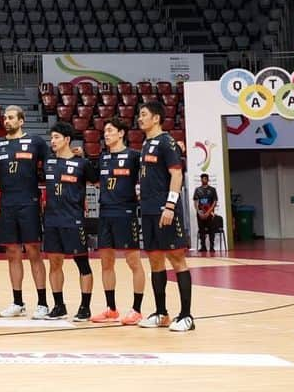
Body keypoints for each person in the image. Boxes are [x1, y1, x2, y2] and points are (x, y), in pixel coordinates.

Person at [0, 105, 50, 320]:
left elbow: (50, 164)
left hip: (29, 202)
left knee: (33, 251)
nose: (7, 121)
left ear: (21, 121)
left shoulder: (36, 142)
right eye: (5, 118)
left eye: (11, 118)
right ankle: (17, 302)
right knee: (12, 253)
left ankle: (42, 303)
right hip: (7, 203)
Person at [137, 101, 195, 332]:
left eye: (144, 115)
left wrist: (170, 206)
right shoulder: (146, 143)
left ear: (156, 118)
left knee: (176, 258)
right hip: (149, 211)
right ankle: (161, 313)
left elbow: (177, 174)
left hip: (165, 210)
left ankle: (187, 316)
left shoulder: (166, 141)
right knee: (154, 260)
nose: (140, 119)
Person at [91, 117, 146, 325]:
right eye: (105, 131)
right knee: (106, 262)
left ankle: (137, 309)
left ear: (121, 133)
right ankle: (111, 309)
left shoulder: (134, 156)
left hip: (126, 213)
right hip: (105, 213)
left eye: (110, 130)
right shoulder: (103, 158)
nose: (106, 134)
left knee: (133, 262)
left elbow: (149, 175)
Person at [42, 121, 98, 322]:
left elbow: (97, 180)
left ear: (67, 140)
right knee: (54, 263)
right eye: (51, 138)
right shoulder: (48, 162)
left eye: (56, 137)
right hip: (51, 221)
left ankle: (85, 307)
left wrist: (86, 157)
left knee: (82, 263)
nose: (53, 141)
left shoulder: (81, 164)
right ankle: (59, 306)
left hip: (73, 220)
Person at [194, 173, 220, 252]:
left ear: (208, 180)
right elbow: (195, 202)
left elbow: (214, 202)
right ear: (201, 180)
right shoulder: (197, 190)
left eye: (205, 178)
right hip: (200, 214)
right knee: (201, 230)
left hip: (210, 214)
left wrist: (209, 212)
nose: (203, 180)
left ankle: (212, 247)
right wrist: (199, 212)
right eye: (202, 179)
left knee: (211, 230)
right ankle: (203, 247)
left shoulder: (212, 190)